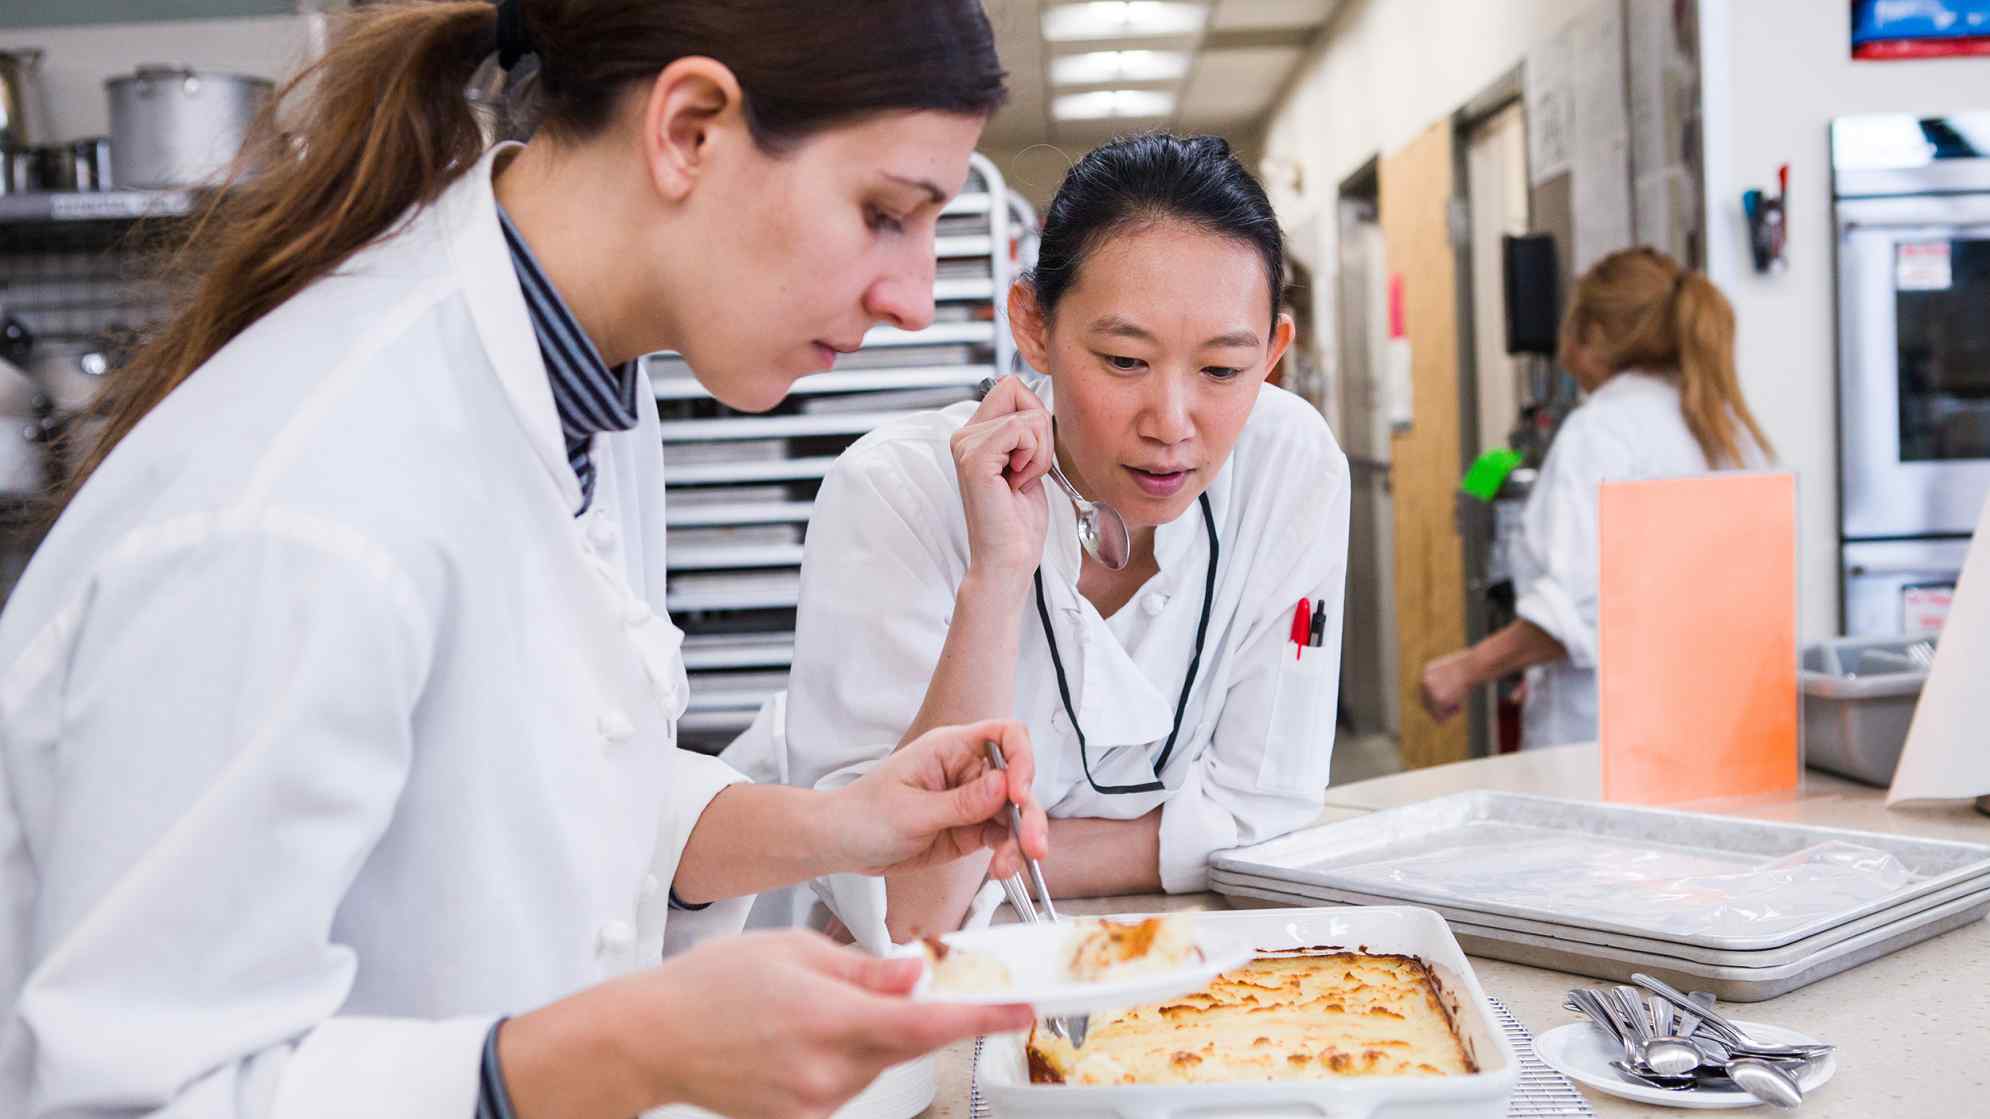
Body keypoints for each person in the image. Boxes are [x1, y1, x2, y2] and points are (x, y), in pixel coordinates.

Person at [0, 3, 1054, 1118]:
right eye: (886, 213)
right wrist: (627, 1050)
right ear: (689, 129)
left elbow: (538, 787)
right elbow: (135, 1090)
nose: (915, 297)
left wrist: (840, 825)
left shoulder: (581, 395)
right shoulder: (305, 497)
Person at [723, 134, 1352, 947]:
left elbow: (1269, 818)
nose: (1171, 423)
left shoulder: (1290, 467)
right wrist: (997, 575)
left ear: (1272, 354)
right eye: (1125, 359)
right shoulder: (894, 492)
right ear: (1033, 325)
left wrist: (995, 859)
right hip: (849, 981)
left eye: (1223, 371)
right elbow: (909, 910)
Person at [1419, 246, 1774, 749]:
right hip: (1712, 730)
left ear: (1591, 335)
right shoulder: (1726, 429)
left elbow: (1572, 614)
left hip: (1610, 744)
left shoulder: (1600, 432)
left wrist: (1464, 669)